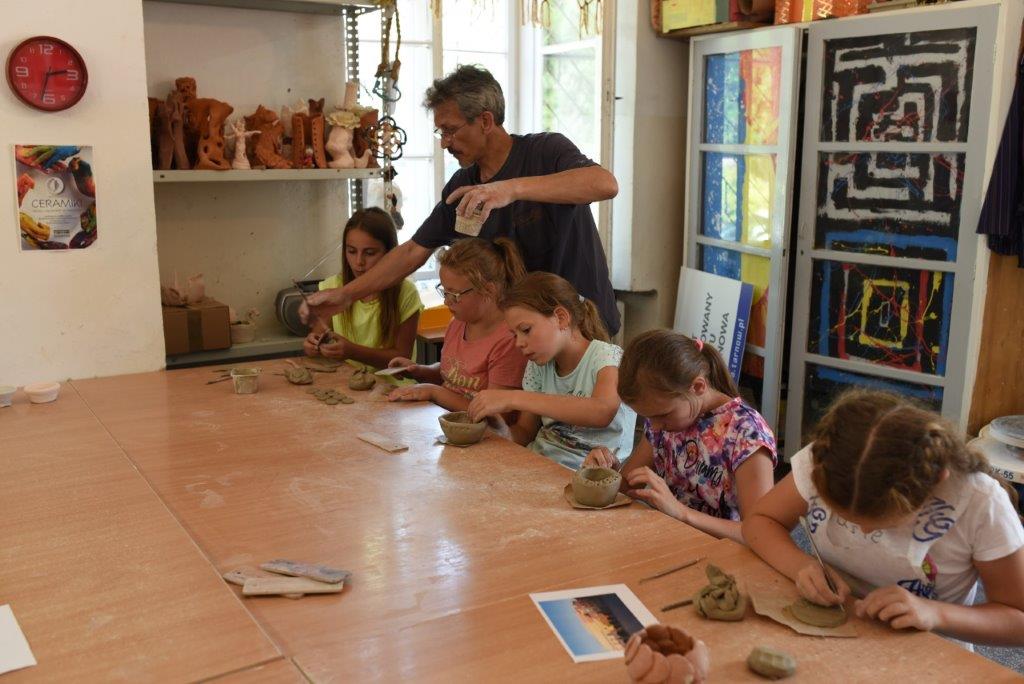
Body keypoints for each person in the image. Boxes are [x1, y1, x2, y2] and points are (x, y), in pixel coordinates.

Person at [301, 64, 621, 335]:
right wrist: (345, 295)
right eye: (440, 133)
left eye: (450, 131)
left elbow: (604, 184)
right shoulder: (462, 185)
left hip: (582, 329)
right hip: (524, 337)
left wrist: (510, 189)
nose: (445, 143)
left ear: (485, 121)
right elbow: (413, 251)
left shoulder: (545, 151)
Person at [743, 390, 1024, 647]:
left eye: (883, 523)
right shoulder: (830, 459)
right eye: (844, 517)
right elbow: (761, 520)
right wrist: (799, 565)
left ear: (934, 483)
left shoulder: (980, 503)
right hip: (834, 629)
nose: (863, 532)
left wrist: (934, 613)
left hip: (926, 650)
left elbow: (1017, 619)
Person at [584, 330, 776, 543]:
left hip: (721, 551)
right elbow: (627, 487)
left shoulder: (746, 433)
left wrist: (681, 513)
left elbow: (761, 534)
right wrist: (604, 475)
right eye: (648, 417)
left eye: (662, 415)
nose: (655, 426)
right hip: (669, 538)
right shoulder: (665, 421)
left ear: (698, 387)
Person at [467, 272, 635, 469]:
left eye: (526, 330)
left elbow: (601, 411)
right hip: (538, 465)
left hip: (589, 476)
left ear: (561, 318)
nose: (518, 343)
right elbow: (525, 432)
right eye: (514, 335)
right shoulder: (538, 366)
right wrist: (502, 431)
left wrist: (512, 398)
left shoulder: (606, 357)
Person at [387, 237, 527, 413]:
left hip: (481, 428)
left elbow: (496, 416)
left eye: (454, 294)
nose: (446, 301)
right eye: (444, 291)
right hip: (446, 419)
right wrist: (420, 371)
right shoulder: (458, 323)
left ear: (489, 290)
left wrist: (434, 392)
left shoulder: (509, 341)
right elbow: (454, 374)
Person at [303, 208, 422, 371]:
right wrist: (313, 345)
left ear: (390, 254)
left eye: (370, 253)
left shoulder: (406, 293)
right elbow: (318, 338)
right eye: (351, 251)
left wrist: (353, 352)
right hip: (346, 379)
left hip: (392, 383)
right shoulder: (333, 288)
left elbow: (402, 358)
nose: (359, 261)